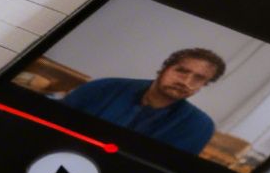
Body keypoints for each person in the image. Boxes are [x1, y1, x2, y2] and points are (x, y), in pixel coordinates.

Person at [59, 48, 225, 155]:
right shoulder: (103, 88)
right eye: (181, 71)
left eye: (199, 78)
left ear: (204, 85)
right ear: (164, 68)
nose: (186, 82)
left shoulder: (198, 126)